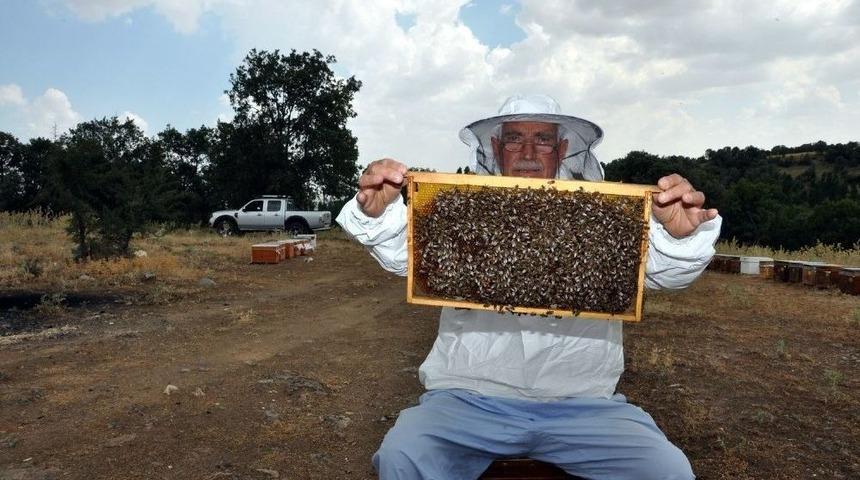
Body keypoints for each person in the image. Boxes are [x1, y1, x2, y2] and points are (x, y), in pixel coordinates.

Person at [336, 94, 722, 480]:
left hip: (586, 408)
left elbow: (669, 273)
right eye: (514, 139)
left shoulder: (604, 217)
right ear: (495, 147)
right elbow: (405, 254)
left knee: (668, 471)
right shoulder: (464, 214)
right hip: (467, 402)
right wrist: (381, 213)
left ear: (563, 149)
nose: (527, 152)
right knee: (402, 456)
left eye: (543, 140)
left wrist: (677, 239)